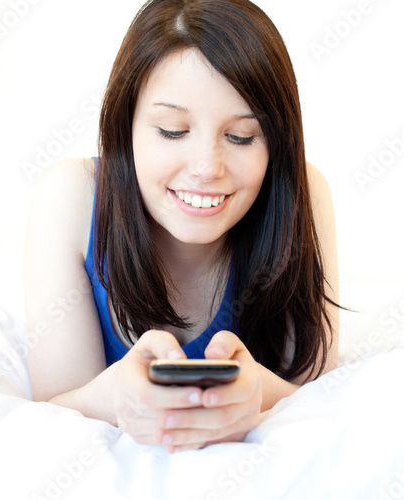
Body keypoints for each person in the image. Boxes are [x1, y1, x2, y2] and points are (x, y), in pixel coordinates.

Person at [24, 0, 340, 454]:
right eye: (172, 130)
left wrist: (260, 395)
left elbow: (332, 402)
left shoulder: (305, 194)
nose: (207, 168)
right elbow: (50, 407)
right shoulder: (71, 196)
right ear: (124, 126)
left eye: (241, 137)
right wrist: (117, 396)